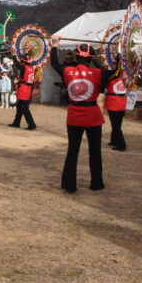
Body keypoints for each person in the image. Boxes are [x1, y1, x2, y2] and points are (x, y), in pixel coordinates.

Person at [50, 36, 113, 193]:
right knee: (95, 151)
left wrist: (55, 45)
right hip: (93, 115)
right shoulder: (98, 72)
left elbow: (54, 63)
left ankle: (69, 185)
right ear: (91, 59)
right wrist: (95, 57)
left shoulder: (68, 71)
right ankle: (96, 183)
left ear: (76, 57)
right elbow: (106, 71)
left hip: (74, 115)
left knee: (73, 150)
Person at [102, 58, 128, 151]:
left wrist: (94, 59)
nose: (111, 65)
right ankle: (114, 140)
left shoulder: (115, 74)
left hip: (114, 101)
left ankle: (122, 145)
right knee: (116, 123)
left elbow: (103, 70)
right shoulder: (124, 74)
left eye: (113, 64)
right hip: (120, 100)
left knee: (116, 124)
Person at [8, 51, 37, 129]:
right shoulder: (31, 68)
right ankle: (16, 123)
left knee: (24, 108)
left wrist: (14, 56)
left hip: (23, 89)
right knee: (20, 107)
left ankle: (32, 124)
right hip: (28, 89)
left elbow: (17, 65)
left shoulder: (24, 67)